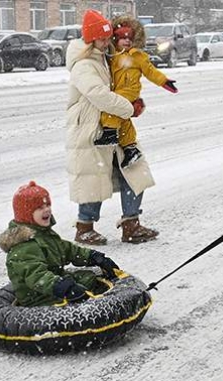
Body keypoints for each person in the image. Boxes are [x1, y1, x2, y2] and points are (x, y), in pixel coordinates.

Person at [66, 9, 159, 246]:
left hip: (116, 124)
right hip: (91, 127)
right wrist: (128, 107)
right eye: (103, 38)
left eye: (109, 38)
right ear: (90, 38)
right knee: (94, 177)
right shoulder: (83, 64)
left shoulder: (105, 57)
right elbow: (98, 94)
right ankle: (84, 227)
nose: (108, 42)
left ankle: (131, 224)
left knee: (134, 169)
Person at [0, 182, 121, 307]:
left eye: (48, 205)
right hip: (38, 297)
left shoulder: (44, 234)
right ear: (27, 214)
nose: (47, 210)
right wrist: (62, 287)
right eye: (40, 208)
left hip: (54, 284)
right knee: (79, 295)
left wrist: (93, 256)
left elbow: (67, 249)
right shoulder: (24, 247)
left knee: (88, 278)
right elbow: (37, 276)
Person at [95, 15, 178, 169]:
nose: (127, 42)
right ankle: (131, 148)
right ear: (115, 39)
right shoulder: (112, 55)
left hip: (130, 90)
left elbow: (151, 71)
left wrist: (164, 81)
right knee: (124, 118)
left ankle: (110, 133)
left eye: (129, 39)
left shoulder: (137, 56)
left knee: (112, 107)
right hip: (117, 89)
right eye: (122, 38)